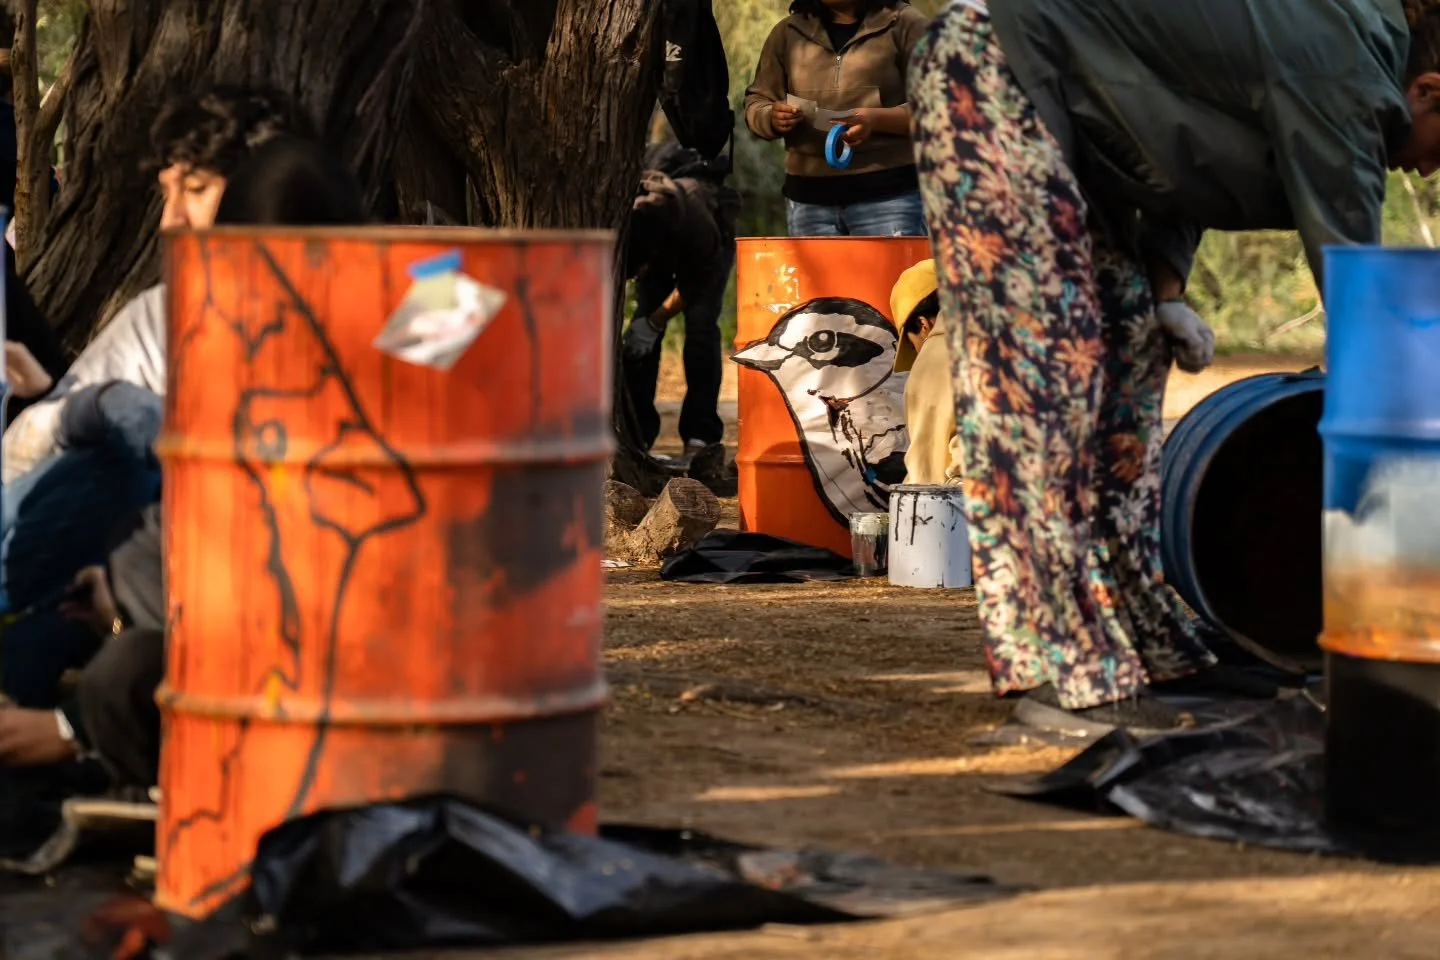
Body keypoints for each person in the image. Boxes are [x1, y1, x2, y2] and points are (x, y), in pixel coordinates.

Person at [908, 0, 1440, 732]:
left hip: (1079, 124)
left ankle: (1139, 628)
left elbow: (1178, 143)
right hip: (992, 68)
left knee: (1130, 351)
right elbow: (1354, 273)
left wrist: (1165, 293)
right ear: (1430, 89)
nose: (1432, 169)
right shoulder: (1347, 66)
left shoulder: (1342, 57)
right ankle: (1052, 659)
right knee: (1040, 376)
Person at [0, 135, 369, 784]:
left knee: (116, 675)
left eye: (194, 191)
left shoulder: (336, 350)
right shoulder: (393, 310)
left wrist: (69, 730)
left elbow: (276, 579)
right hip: (218, 631)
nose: (171, 220)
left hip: (326, 664)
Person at [1, 85, 309, 483]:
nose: (171, 222)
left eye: (196, 190)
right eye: (167, 194)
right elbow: (33, 459)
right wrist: (49, 397)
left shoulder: (388, 304)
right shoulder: (157, 320)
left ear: (273, 190)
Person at [744, 0, 930, 238]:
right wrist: (771, 117)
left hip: (890, 199)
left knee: (891, 278)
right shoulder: (787, 33)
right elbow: (757, 101)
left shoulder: (906, 25)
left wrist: (876, 120)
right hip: (808, 203)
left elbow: (942, 109)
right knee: (816, 278)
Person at [621, 150, 740, 462]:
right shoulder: (629, 221)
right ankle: (639, 434)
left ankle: (700, 435)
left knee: (701, 326)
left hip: (709, 248)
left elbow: (699, 280)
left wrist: (657, 321)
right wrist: (645, 322)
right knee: (640, 332)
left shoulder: (696, 223)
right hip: (657, 247)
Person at [890, 259, 959, 487]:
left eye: (912, 345)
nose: (918, 353)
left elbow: (927, 466)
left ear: (923, 324)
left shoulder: (936, 356)